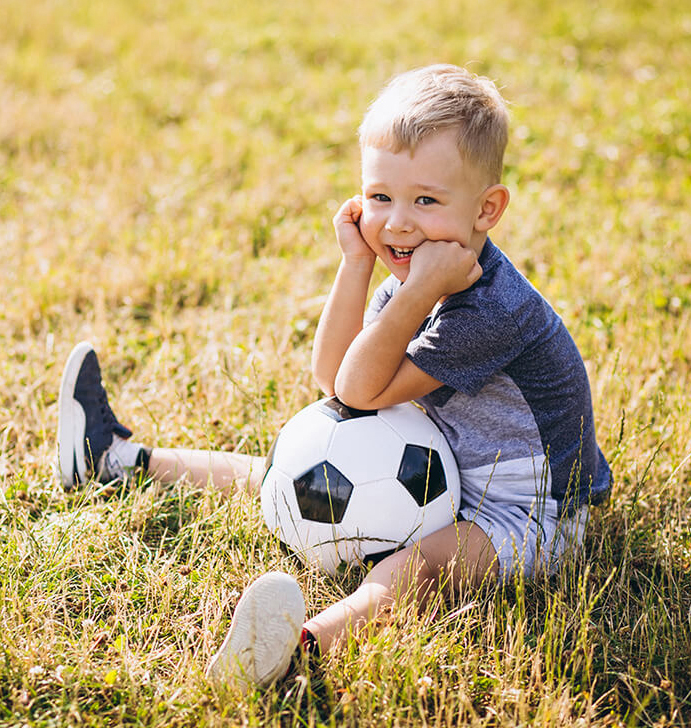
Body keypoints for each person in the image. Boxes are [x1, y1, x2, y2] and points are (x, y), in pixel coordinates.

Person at [56, 64, 613, 691]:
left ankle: (297, 651)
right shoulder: (417, 276)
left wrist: (413, 293)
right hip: (448, 464)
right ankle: (116, 458)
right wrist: (356, 266)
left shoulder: (487, 308)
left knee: (417, 568)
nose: (397, 223)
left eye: (425, 201)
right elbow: (334, 381)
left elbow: (358, 390)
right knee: (298, 470)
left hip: (527, 513)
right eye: (380, 198)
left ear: (487, 209)